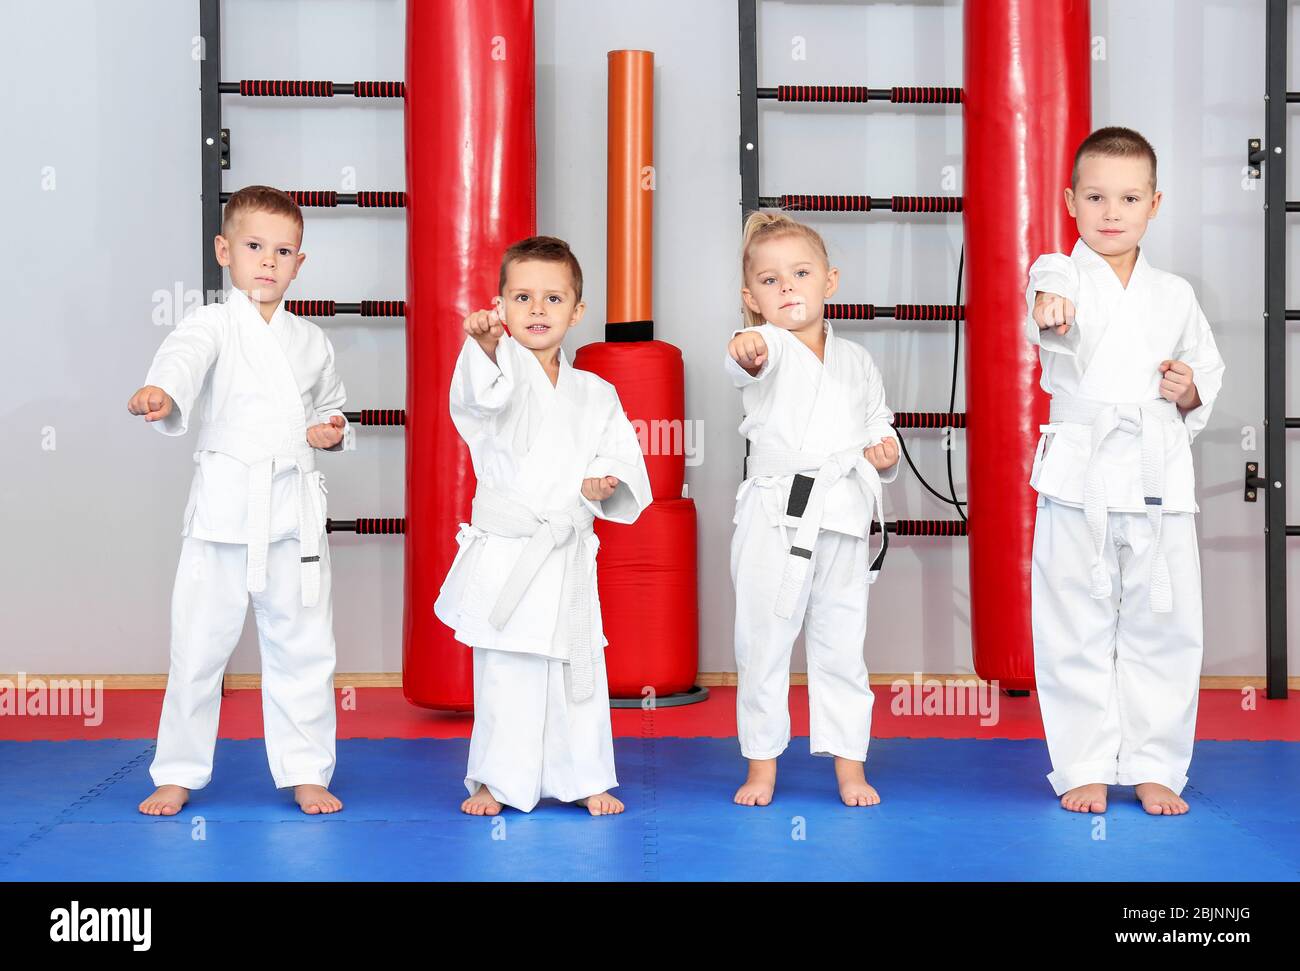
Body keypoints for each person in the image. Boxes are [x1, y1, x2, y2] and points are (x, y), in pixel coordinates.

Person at [129, 185, 347, 816]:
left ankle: (306, 770)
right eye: (255, 247)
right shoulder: (211, 322)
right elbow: (183, 358)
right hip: (223, 515)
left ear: (300, 263)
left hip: (293, 519)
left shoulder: (311, 341)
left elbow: (331, 410)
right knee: (196, 649)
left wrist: (329, 432)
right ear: (225, 250)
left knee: (305, 650)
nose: (268, 262)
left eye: (284, 251)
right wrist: (161, 392)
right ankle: (177, 770)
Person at [1026, 127, 1225, 815]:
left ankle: (1154, 762)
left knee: (1163, 622)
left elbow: (1207, 372)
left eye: (1129, 196)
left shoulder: (1174, 295)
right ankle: (1082, 762)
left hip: (1156, 473)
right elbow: (1047, 303)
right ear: (1071, 201)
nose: (1112, 210)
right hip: (1079, 474)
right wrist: (1052, 310)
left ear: (1154, 203)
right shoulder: (1058, 272)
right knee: (1072, 619)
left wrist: (1188, 388)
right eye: (1096, 195)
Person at [435, 235, 652, 816]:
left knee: (575, 666)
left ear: (577, 312)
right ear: (500, 306)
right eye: (522, 297)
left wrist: (602, 481)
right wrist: (482, 348)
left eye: (553, 299)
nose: (537, 310)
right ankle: (493, 779)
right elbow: (476, 406)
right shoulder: (495, 370)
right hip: (512, 550)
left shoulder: (596, 392)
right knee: (505, 672)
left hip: (565, 551)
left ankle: (583, 776)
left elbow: (621, 457)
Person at [725, 211, 899, 808]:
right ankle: (762, 767)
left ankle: (850, 766)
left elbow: (880, 427)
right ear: (752, 299)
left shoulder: (856, 360)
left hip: (845, 514)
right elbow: (743, 358)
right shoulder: (765, 345)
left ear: (830, 281)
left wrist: (884, 452)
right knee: (763, 643)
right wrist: (745, 346)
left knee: (842, 646)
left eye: (800, 273)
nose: (787, 287)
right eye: (770, 281)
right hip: (777, 514)